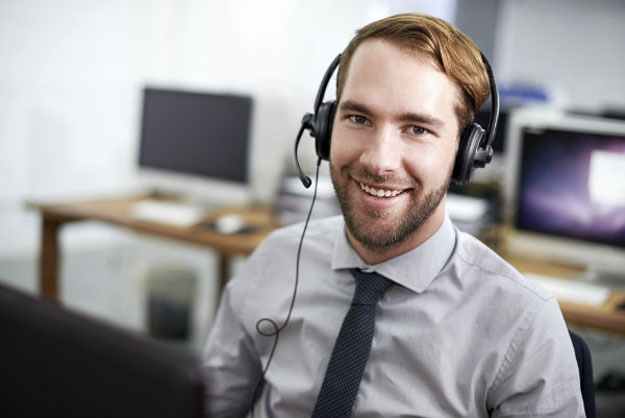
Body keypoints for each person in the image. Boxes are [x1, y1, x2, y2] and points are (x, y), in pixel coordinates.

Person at [202, 13, 585, 418]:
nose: (379, 161)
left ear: (465, 153)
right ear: (326, 129)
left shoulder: (524, 325)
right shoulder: (275, 261)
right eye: (359, 118)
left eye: (417, 129)